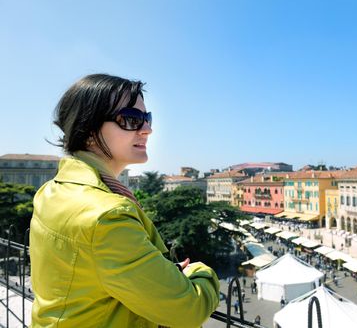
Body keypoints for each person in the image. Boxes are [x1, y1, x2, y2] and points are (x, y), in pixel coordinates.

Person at [30, 74, 220, 327]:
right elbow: (189, 310)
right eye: (131, 119)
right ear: (87, 128)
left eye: (147, 118)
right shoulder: (107, 216)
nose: (148, 129)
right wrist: (199, 272)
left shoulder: (51, 191)